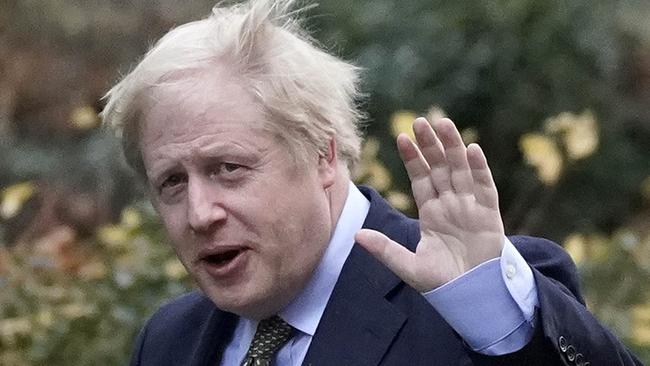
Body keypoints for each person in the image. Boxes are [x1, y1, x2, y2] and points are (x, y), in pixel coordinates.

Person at [101, 0, 643, 365]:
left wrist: (492, 316)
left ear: (322, 155)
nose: (200, 213)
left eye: (229, 169)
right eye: (172, 182)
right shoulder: (170, 340)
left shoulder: (474, 300)